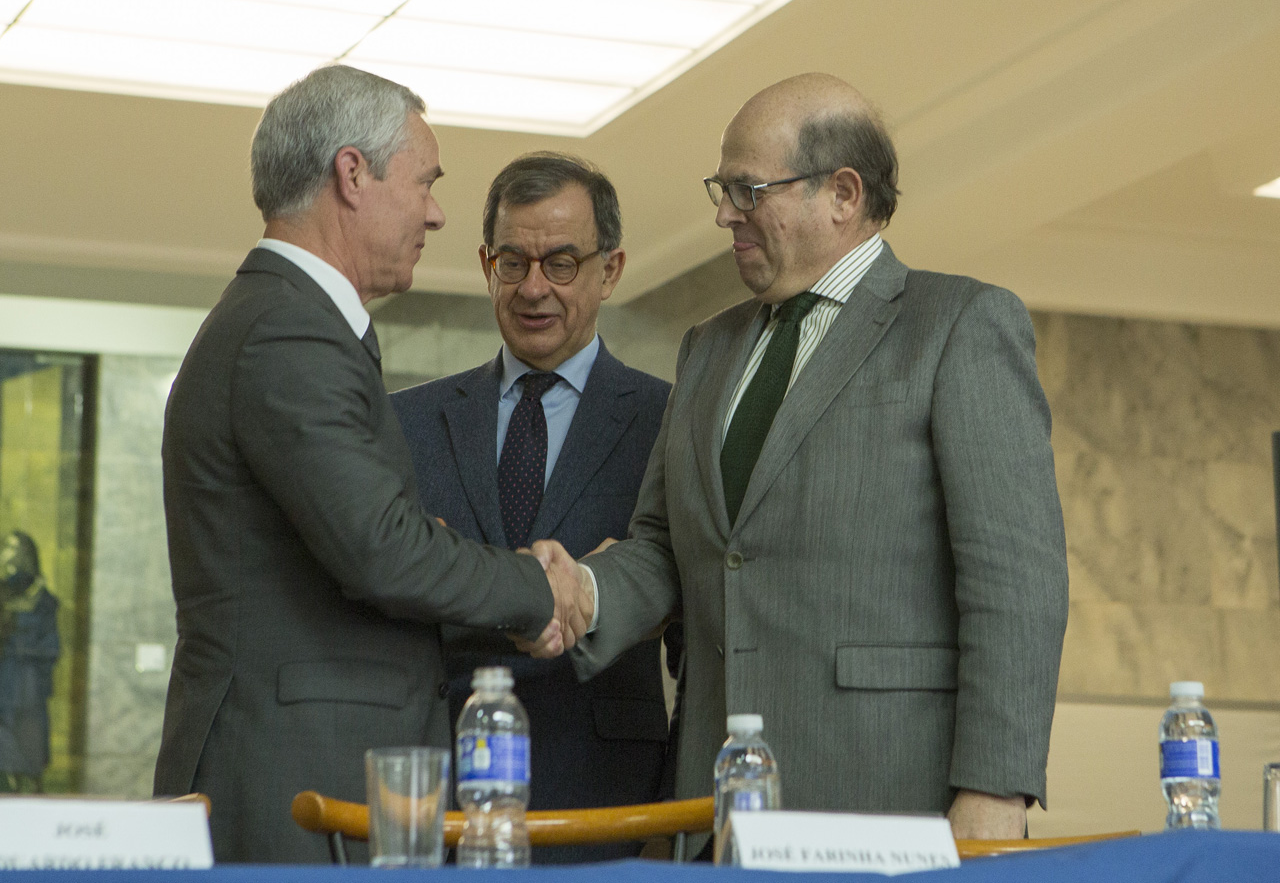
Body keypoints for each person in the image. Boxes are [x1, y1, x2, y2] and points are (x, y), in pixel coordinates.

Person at [543, 73, 1069, 842]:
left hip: (887, 803)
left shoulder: (960, 325)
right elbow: (666, 545)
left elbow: (1016, 579)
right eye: (721, 189)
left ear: (843, 194)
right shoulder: (707, 347)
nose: (726, 213)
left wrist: (997, 787)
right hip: (709, 812)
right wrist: (584, 591)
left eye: (748, 189)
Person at [153, 65, 586, 863]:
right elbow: (379, 549)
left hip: (310, 769)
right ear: (352, 174)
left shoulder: (293, 321)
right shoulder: (289, 329)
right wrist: (540, 587)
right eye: (424, 182)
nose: (436, 212)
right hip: (292, 777)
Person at [391, 153, 673, 862]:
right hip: (442, 796)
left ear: (610, 270)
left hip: (610, 797)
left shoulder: (671, 422)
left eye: (562, 262)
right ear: (486, 265)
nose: (533, 288)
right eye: (513, 262)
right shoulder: (405, 424)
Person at [0, 530, 60, 794]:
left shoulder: (42, 599)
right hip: (6, 677)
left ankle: (31, 782)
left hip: (28, 682)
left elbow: (51, 646)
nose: (6, 553)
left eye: (12, 547)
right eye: (4, 547)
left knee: (30, 733)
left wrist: (23, 647)